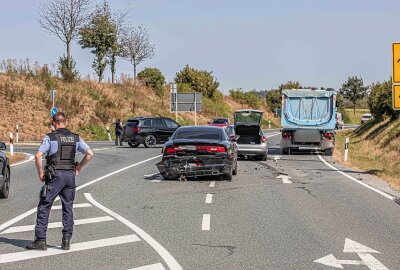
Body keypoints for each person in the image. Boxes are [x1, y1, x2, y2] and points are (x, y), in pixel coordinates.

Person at [26, 112, 94, 251]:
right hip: (70, 176)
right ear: (66, 122)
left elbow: (38, 155)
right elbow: (90, 153)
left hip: (55, 176)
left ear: (54, 123)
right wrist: (79, 167)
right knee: (68, 207)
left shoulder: (50, 137)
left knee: (44, 206)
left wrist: (40, 173)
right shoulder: (75, 137)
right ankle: (66, 240)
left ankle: (40, 240)